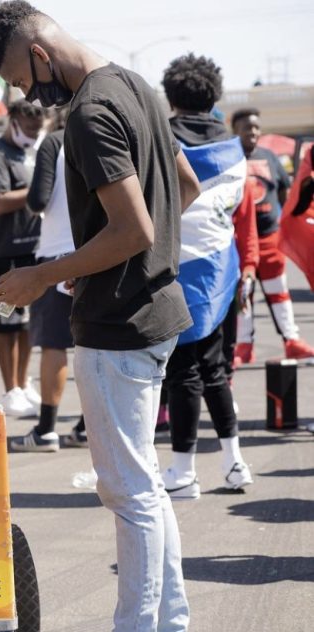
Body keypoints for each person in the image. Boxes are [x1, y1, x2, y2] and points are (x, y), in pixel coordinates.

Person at [0, 2, 201, 632]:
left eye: (21, 80)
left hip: (121, 326)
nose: (27, 93)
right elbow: (183, 186)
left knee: (129, 496)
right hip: (149, 311)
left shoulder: (90, 112)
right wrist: (99, 261)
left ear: (40, 54)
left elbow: (134, 227)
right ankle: (169, 624)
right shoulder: (136, 86)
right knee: (145, 489)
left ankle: (137, 628)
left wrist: (43, 276)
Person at [160, 53, 257, 498]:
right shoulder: (233, 145)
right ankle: (235, 462)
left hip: (177, 267)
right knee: (216, 369)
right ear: (213, 94)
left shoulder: (164, 138)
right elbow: (242, 211)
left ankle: (183, 472)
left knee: (182, 372)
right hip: (222, 268)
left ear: (172, 95)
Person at [8, 107, 86, 451]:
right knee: (93, 345)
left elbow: (38, 199)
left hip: (58, 253)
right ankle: (87, 426)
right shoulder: (113, 138)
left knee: (56, 344)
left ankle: (46, 429)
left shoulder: (55, 142)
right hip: (103, 252)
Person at [0, 99, 44, 417]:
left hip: (30, 248)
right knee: (7, 320)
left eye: (37, 128)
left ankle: (23, 381)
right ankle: (10, 389)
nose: (33, 133)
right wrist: (39, 192)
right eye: (29, 127)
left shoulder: (29, 152)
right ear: (13, 121)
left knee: (28, 321)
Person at [231, 108, 314, 363]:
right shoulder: (229, 158)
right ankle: (243, 346)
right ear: (235, 130)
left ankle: (292, 340)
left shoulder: (269, 157)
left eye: (256, 127)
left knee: (279, 291)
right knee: (244, 293)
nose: (252, 132)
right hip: (240, 241)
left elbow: (283, 195)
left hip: (270, 237)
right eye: (246, 127)